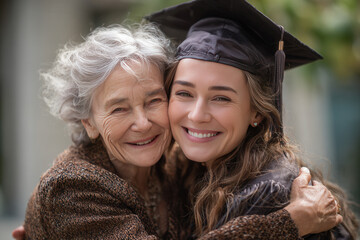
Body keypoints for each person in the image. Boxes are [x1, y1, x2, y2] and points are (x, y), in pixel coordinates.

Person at [17, 22, 341, 239]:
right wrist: (290, 221)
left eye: (154, 100)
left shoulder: (175, 163)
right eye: (119, 108)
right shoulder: (71, 188)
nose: (143, 123)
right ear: (87, 121)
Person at [147, 0, 359, 239]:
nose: (197, 115)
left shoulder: (270, 193)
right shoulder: (192, 174)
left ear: (256, 111)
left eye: (221, 98)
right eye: (184, 93)